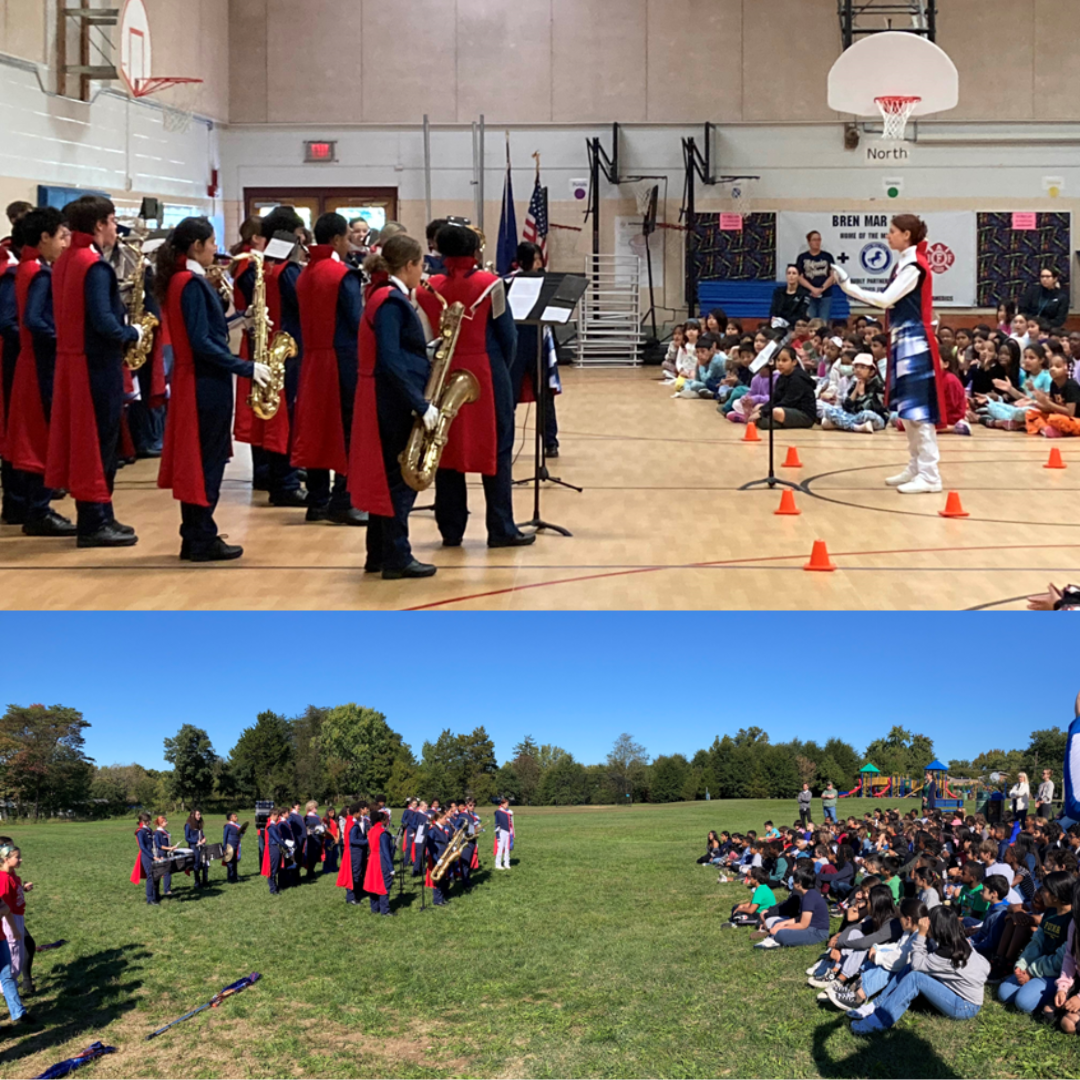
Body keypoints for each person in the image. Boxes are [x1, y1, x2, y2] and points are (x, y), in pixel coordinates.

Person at [155, 217, 265, 561]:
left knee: (201, 458)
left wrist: (238, 319)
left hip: (195, 380)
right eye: (212, 241)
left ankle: (196, 534)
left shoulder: (181, 280)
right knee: (208, 460)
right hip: (204, 383)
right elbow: (203, 343)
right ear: (196, 246)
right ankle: (201, 535)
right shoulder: (190, 283)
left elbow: (203, 333)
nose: (216, 248)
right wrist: (245, 367)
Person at [423, 223, 534, 550]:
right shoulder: (491, 284)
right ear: (474, 251)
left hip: (442, 373)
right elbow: (508, 336)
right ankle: (500, 527)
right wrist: (502, 368)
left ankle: (451, 529)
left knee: (445, 446)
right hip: (486, 373)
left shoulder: (429, 286)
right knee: (497, 448)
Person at [45, 195, 141, 546]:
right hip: (95, 366)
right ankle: (94, 521)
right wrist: (133, 332)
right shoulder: (93, 264)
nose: (116, 228)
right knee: (100, 445)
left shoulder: (65, 260)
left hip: (72, 362)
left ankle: (101, 515)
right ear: (99, 224)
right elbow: (103, 321)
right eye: (113, 220)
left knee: (87, 443)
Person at [834, 214, 947, 495]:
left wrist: (848, 286)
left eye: (892, 231)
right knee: (908, 412)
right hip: (903, 340)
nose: (888, 235)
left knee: (920, 413)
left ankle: (931, 475)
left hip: (916, 342)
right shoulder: (906, 262)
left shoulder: (914, 266)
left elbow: (885, 300)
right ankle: (916, 466)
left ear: (907, 235)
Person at [347, 233, 437, 579]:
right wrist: (419, 403)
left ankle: (379, 553)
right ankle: (397, 557)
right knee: (399, 478)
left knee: (388, 478)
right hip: (391, 400)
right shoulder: (391, 301)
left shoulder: (384, 295)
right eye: (421, 265)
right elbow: (390, 358)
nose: (424, 272)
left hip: (383, 396)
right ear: (410, 265)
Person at [293, 212, 366, 526]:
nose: (351, 241)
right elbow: (356, 321)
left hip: (313, 358)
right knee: (347, 429)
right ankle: (343, 499)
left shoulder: (304, 273)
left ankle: (317, 500)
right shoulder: (342, 274)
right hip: (342, 359)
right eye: (349, 235)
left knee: (317, 428)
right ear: (337, 239)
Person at [6, 208, 74, 536]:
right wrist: (64, 339)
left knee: (31, 435)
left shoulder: (26, 268)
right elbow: (33, 319)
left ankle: (27, 507)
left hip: (29, 363)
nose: (65, 243)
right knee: (41, 436)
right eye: (62, 237)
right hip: (41, 365)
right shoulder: (41, 274)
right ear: (44, 238)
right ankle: (38, 511)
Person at [237, 206, 308, 508]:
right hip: (285, 350)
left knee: (263, 412)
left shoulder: (256, 265)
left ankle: (265, 474)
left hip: (261, 345)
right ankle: (285, 483)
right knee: (282, 416)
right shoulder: (287, 271)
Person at [849, 903, 990, 1033]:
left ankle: (879, 1021)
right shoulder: (959, 942)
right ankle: (877, 1005)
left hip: (964, 1006)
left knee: (915, 978)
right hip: (964, 997)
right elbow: (985, 966)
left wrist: (921, 935)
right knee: (911, 967)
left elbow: (917, 965)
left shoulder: (945, 955)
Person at [506, 240, 560, 456]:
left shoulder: (544, 283)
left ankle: (550, 441)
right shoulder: (508, 283)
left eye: (540, 259)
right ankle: (505, 441)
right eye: (535, 259)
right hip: (516, 344)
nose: (539, 263)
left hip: (538, 341)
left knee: (545, 395)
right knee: (508, 395)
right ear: (524, 262)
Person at [754, 865, 830, 949]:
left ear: (799, 883)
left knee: (781, 934)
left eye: (794, 880)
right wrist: (782, 923)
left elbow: (803, 924)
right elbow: (801, 918)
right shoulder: (807, 895)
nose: (792, 882)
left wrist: (783, 928)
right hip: (811, 927)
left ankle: (774, 939)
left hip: (817, 932)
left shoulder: (809, 897)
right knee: (777, 924)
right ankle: (773, 936)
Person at [745, 345, 816, 430]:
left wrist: (763, 413)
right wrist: (761, 409)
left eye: (784, 360)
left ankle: (766, 421)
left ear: (794, 362)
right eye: (778, 360)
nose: (780, 363)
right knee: (758, 406)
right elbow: (775, 398)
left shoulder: (798, 378)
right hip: (787, 410)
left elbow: (788, 402)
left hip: (804, 415)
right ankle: (767, 421)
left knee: (775, 412)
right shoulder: (781, 377)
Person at [820, 353, 888, 433]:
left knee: (867, 414)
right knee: (827, 410)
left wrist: (862, 394)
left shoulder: (879, 386)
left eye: (863, 367)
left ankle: (838, 424)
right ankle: (856, 427)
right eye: (856, 367)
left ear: (871, 372)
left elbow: (874, 409)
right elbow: (846, 407)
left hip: (876, 418)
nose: (858, 370)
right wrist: (855, 391)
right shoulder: (855, 383)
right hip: (855, 417)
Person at [1025, 353, 1080, 437]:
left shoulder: (1071, 385)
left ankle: (1049, 429)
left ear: (1066, 369)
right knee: (1030, 413)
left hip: (1075, 420)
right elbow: (1049, 408)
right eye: (1051, 366)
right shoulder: (1053, 384)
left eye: (1057, 366)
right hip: (1059, 417)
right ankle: (1046, 429)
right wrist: (1034, 402)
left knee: (1054, 418)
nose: (1053, 369)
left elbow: (1070, 413)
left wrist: (1048, 403)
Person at [796, 231, 836, 322]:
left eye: (819, 239)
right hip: (808, 294)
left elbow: (833, 276)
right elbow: (799, 277)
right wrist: (812, 289)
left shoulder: (827, 256)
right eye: (814, 240)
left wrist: (822, 288)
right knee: (810, 321)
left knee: (823, 321)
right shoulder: (802, 257)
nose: (817, 242)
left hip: (826, 294)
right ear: (809, 242)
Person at [363, 809, 396, 916]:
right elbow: (386, 851)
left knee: (373, 883)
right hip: (380, 859)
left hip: (372, 859)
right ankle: (385, 909)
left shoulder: (371, 830)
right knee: (384, 884)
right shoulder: (383, 833)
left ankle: (374, 907)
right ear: (383, 820)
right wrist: (391, 868)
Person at [131, 811, 158, 906]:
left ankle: (155, 895)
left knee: (155, 876)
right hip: (147, 855)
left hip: (153, 853)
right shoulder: (140, 832)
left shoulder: (149, 830)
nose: (149, 822)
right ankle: (150, 899)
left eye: (149, 820)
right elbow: (142, 847)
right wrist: (152, 856)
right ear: (142, 821)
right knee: (150, 876)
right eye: (147, 821)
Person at [184, 809, 209, 889]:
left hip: (202, 846)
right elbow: (187, 838)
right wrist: (196, 841)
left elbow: (202, 833)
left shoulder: (199, 824)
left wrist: (204, 838)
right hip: (194, 847)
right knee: (197, 864)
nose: (200, 816)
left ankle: (205, 881)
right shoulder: (188, 825)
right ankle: (197, 883)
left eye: (200, 814)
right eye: (198, 814)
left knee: (205, 863)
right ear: (193, 815)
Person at [153, 815, 176, 898]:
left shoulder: (166, 832)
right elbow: (159, 845)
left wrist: (172, 847)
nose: (167, 823)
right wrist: (169, 848)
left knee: (168, 871)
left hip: (167, 853)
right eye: (165, 821)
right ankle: (166, 890)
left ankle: (167, 889)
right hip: (161, 854)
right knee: (166, 872)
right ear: (160, 823)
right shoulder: (157, 833)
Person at [261, 808, 283, 895]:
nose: (278, 818)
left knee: (275, 868)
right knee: (272, 869)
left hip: (275, 847)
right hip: (273, 848)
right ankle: (273, 889)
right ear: (273, 815)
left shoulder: (273, 824)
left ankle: (275, 886)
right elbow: (276, 838)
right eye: (278, 816)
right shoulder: (270, 825)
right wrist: (285, 845)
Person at [223, 813, 242, 884]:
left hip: (236, 845)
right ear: (230, 819)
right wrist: (225, 848)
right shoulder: (228, 826)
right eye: (235, 816)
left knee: (235, 862)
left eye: (236, 816)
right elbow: (225, 837)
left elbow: (240, 836)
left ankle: (234, 876)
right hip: (230, 846)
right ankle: (230, 877)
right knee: (230, 862)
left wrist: (242, 832)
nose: (236, 817)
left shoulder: (238, 826)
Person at [494, 798, 513, 871]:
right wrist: (497, 834)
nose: (506, 805)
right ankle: (497, 863)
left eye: (507, 804)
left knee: (507, 848)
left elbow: (511, 823)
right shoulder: (498, 812)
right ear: (501, 804)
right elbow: (497, 822)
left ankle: (506, 863)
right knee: (500, 848)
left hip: (508, 832)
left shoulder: (509, 812)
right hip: (501, 831)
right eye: (504, 804)